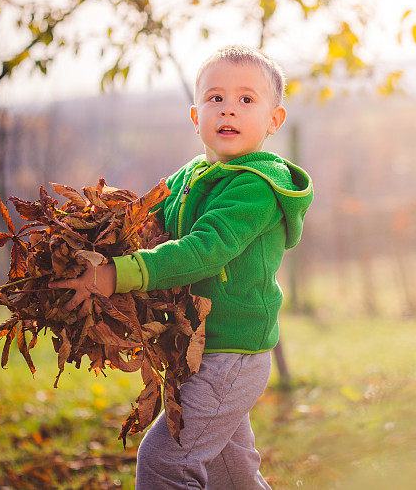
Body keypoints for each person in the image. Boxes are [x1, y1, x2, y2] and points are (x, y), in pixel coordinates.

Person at [48, 44, 314, 488]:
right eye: (215, 98)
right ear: (196, 118)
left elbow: (202, 249)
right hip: (201, 349)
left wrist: (116, 275)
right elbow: (147, 221)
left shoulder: (255, 189)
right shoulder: (189, 178)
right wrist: (100, 232)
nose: (229, 109)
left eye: (246, 100)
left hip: (232, 352)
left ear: (274, 120)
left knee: (164, 463)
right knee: (234, 477)